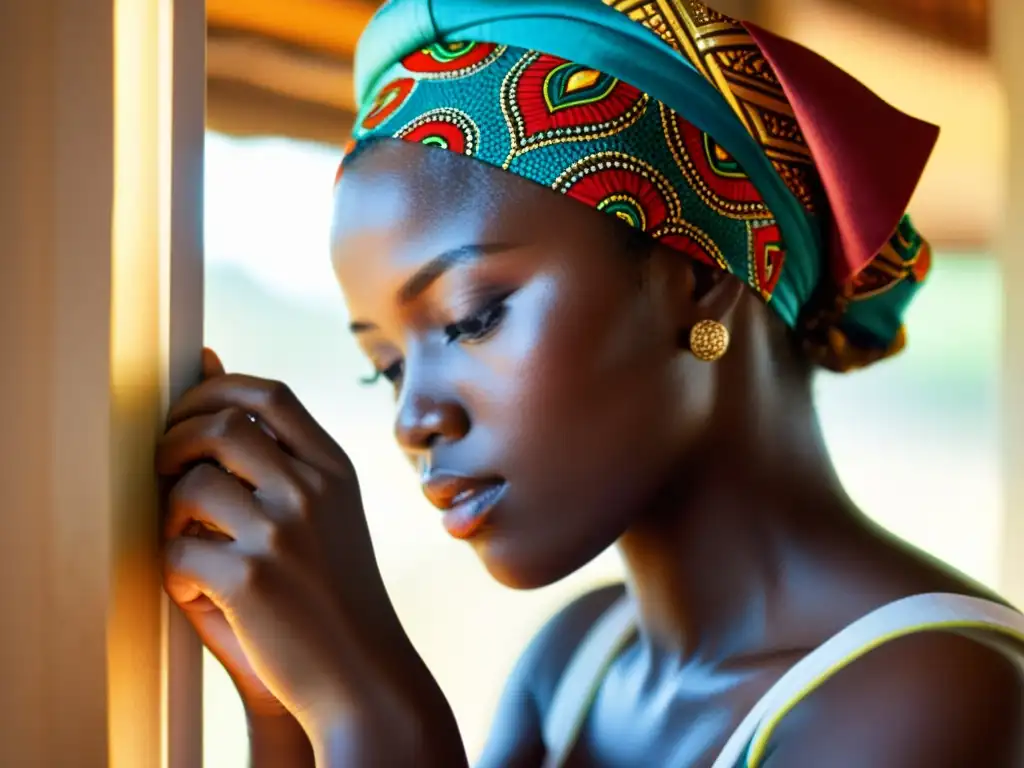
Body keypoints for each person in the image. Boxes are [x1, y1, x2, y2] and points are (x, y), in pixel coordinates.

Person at [157, 1, 1024, 766]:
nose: (414, 418)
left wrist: (372, 705)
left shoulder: (934, 695)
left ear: (700, 274)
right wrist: (288, 713)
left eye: (470, 317)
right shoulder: (578, 663)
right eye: (385, 364)